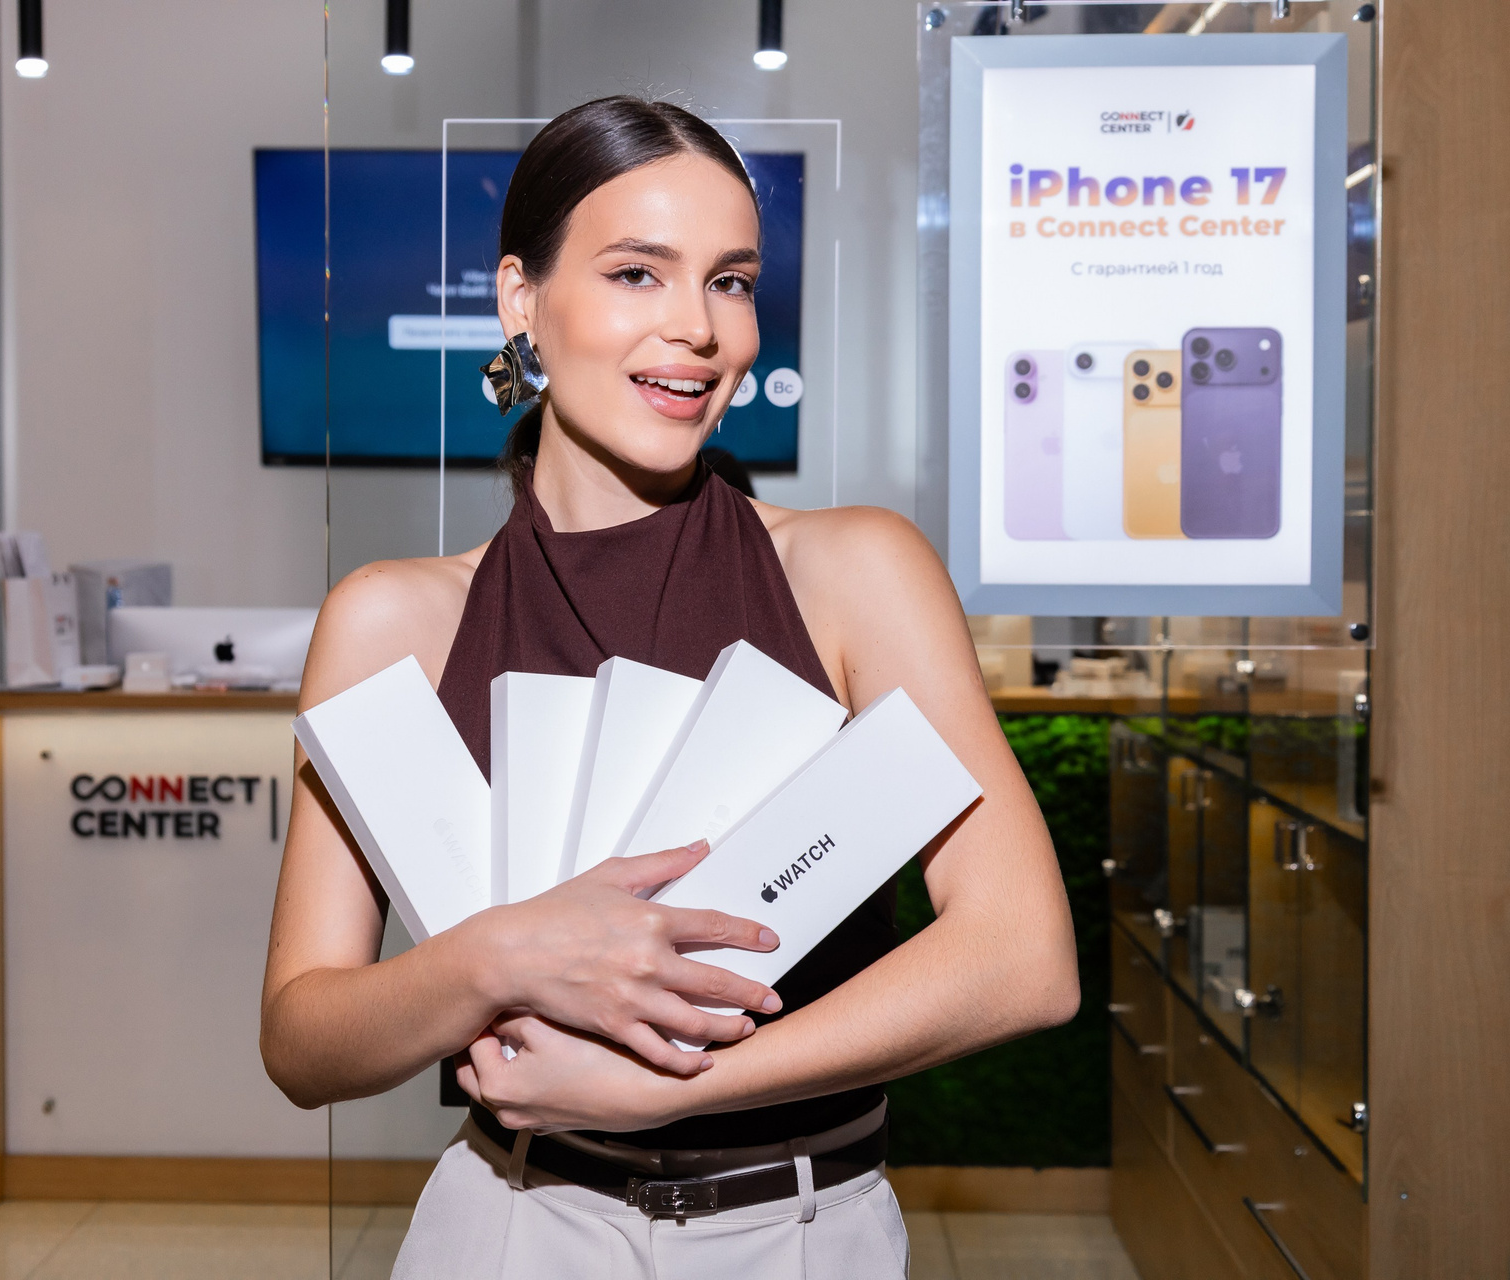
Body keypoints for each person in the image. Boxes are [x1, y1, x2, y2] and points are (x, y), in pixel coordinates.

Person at [261, 96, 1078, 1277]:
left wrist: (672, 1086)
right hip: (511, 1222)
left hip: (804, 1231)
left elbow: (1023, 955)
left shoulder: (853, 572)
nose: (699, 327)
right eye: (637, 272)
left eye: (730, 281)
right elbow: (302, 1040)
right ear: (520, 299)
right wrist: (500, 956)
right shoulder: (393, 620)